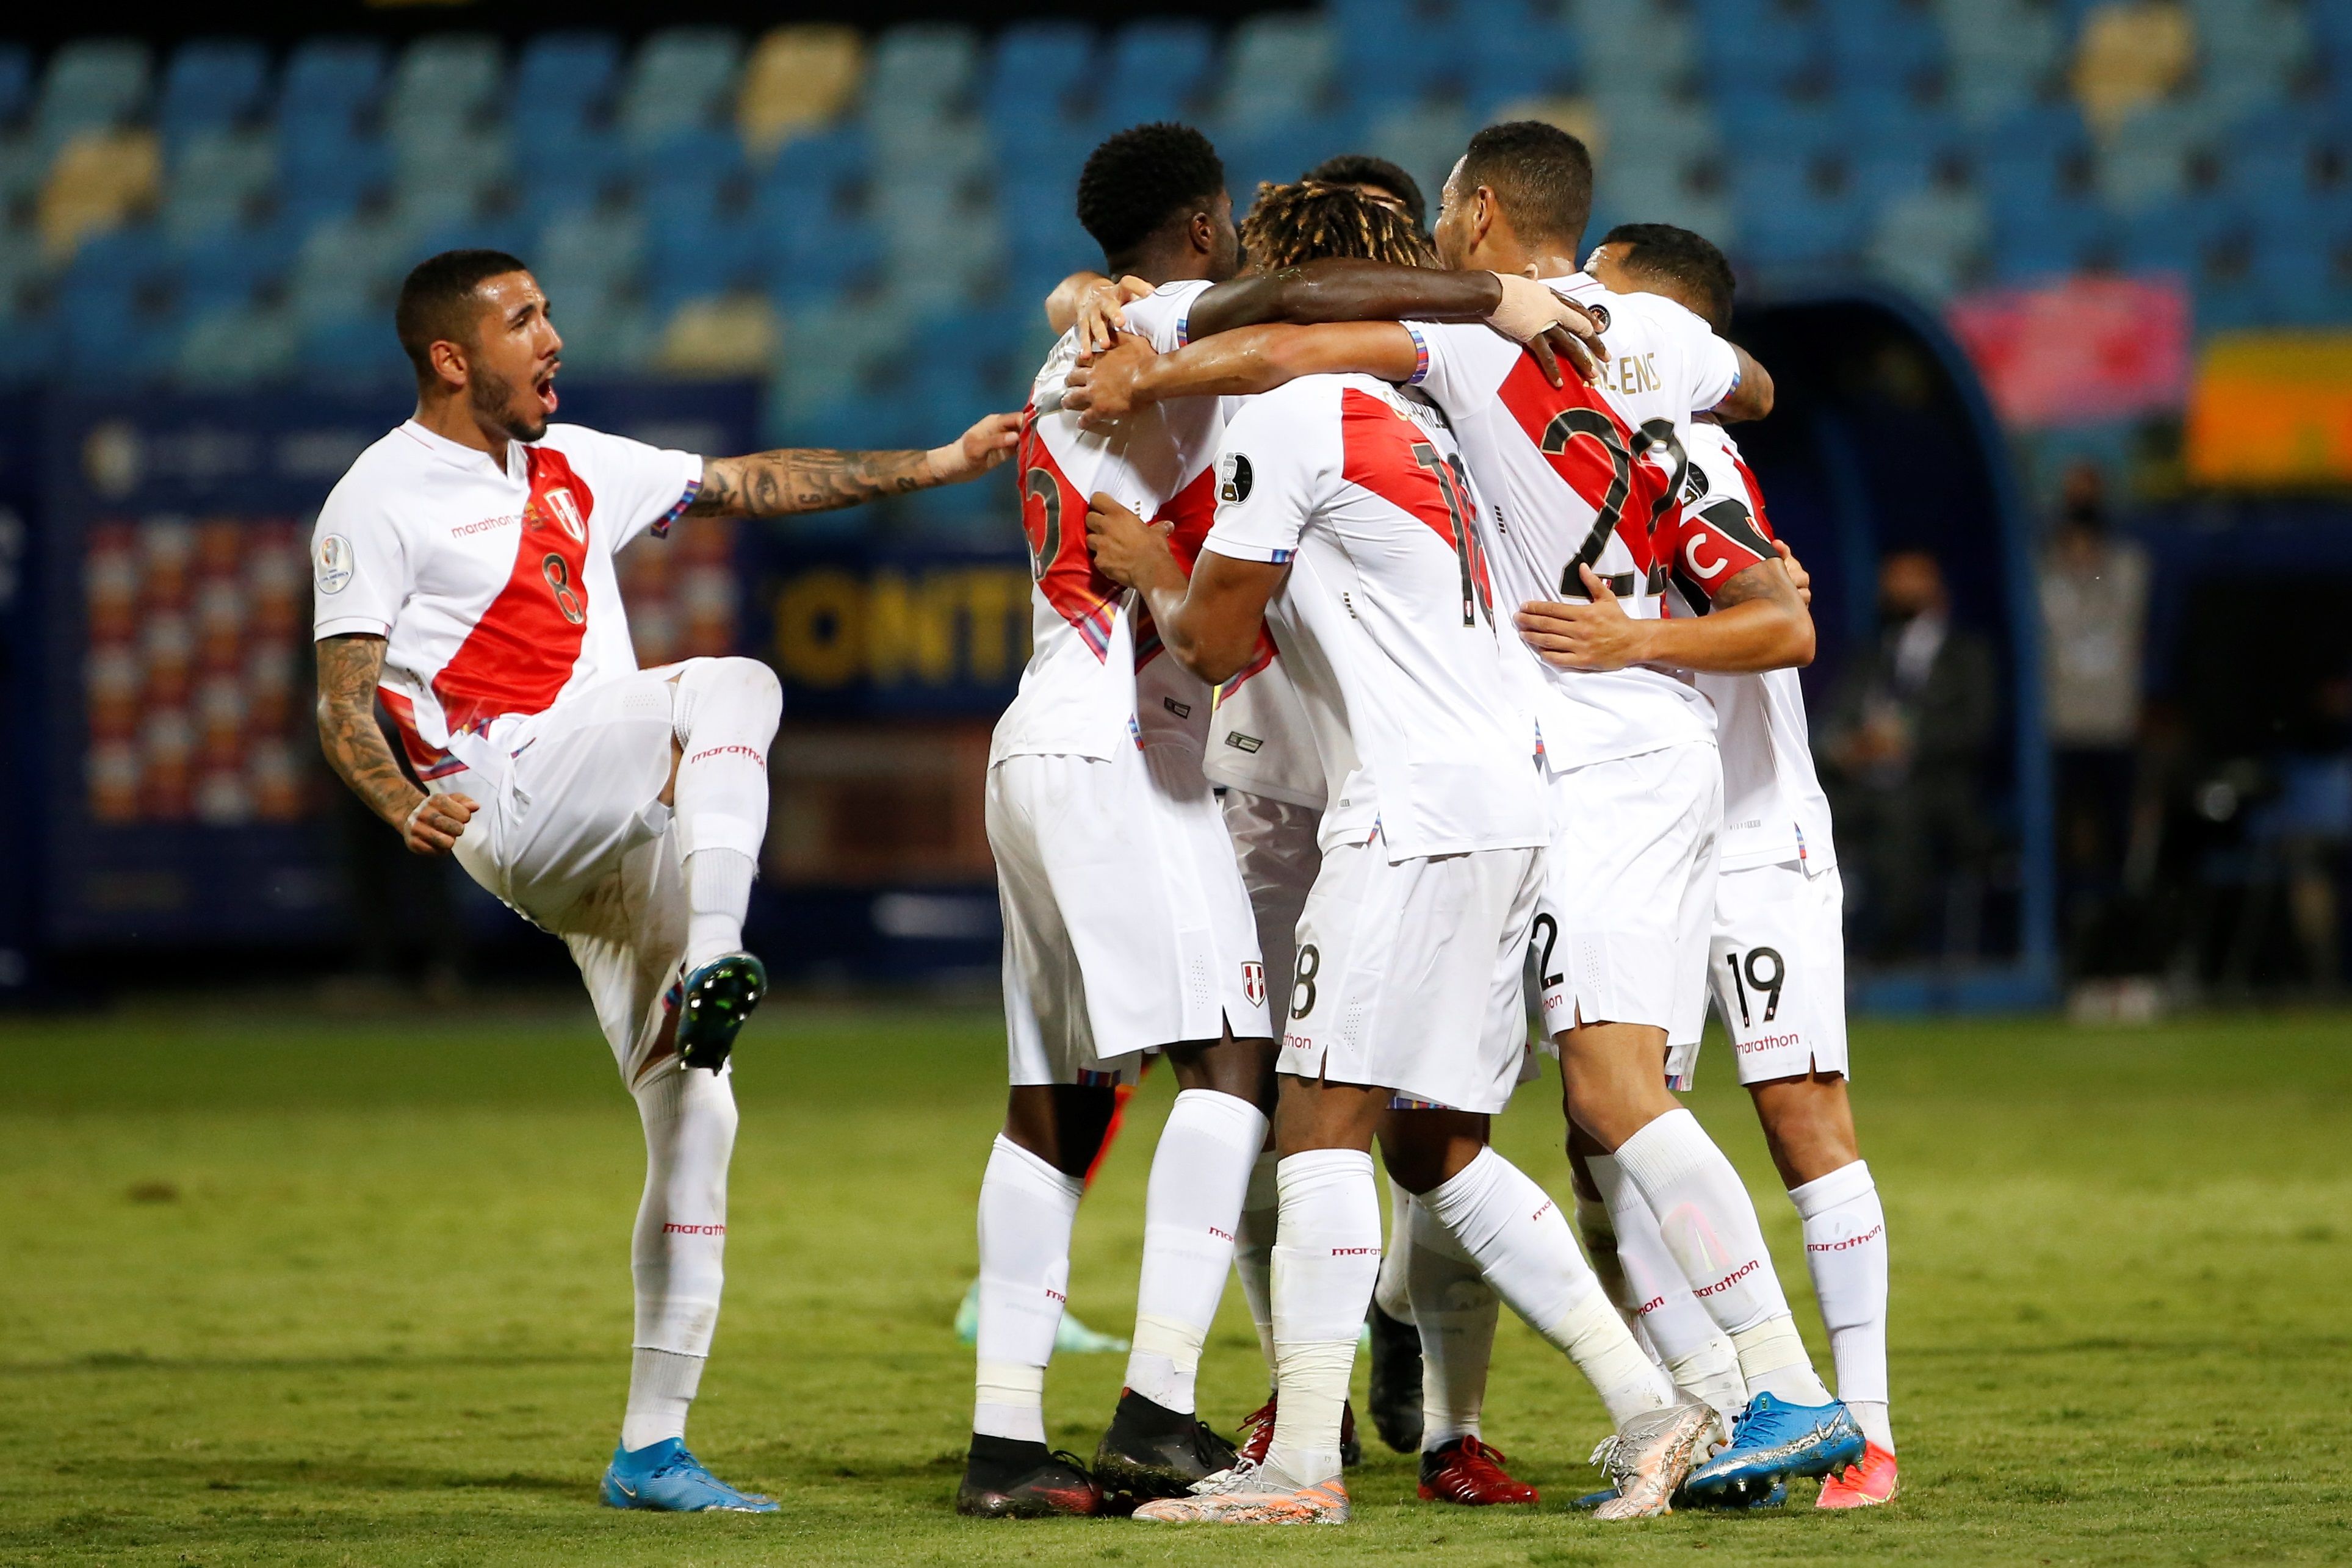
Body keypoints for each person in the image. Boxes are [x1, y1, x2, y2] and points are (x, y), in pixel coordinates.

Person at [1067, 123, 1861, 1506]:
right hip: (1568, 768)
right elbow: (1755, 383)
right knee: (1457, 1132)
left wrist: (1154, 351)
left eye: (1448, 215)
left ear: (1480, 214)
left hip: (1555, 756)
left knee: (1547, 1100)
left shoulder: (1431, 360)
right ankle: (1687, 1404)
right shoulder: (1647, 334)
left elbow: (1297, 349)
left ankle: (1769, 1390)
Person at [311, 248, 1019, 1515]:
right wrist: (401, 799)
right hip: (513, 804)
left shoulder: (574, 461)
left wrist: (938, 465)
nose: (555, 335)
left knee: (700, 1119)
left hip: (614, 827)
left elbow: (748, 481)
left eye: (551, 311)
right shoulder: (377, 495)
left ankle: (650, 1449)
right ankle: (718, 955)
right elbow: (344, 699)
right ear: (450, 356)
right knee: (731, 685)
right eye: (524, 319)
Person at [967, 126, 1603, 1520]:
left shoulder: (1080, 339)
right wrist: (1504, 298)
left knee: (1052, 1111)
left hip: (1035, 741)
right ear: (1199, 230)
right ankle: (1153, 1413)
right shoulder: (1176, 323)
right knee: (1241, 1066)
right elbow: (1300, 315)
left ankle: (1006, 1444)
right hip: (1133, 742)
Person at [1519, 223, 1899, 1509]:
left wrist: (1637, 640)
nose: (1572, 308)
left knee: (1797, 1115)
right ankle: (1722, 1413)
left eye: (1599, 286)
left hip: (1752, 824)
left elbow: (1777, 619)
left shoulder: (1689, 446)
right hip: (1644, 823)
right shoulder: (1578, 448)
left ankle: (1861, 1419)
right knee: (1606, 1132)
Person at [1820, 550, 2000, 962]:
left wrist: (1907, 744)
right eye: (1892, 586)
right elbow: (1832, 723)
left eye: (1909, 585)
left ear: (1937, 592)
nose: (1898, 594)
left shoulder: (1968, 654)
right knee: (1809, 814)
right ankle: (1816, 945)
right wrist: (1849, 748)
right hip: (1861, 789)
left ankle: (1892, 949)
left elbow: (1976, 727)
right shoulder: (1871, 656)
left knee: (1901, 817)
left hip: (1936, 792)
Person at [2038, 461, 2151, 978]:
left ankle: (2121, 960)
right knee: (2062, 849)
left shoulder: (2128, 567)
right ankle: (2064, 959)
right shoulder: (2042, 574)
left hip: (2113, 731)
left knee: (2115, 851)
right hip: (2060, 732)